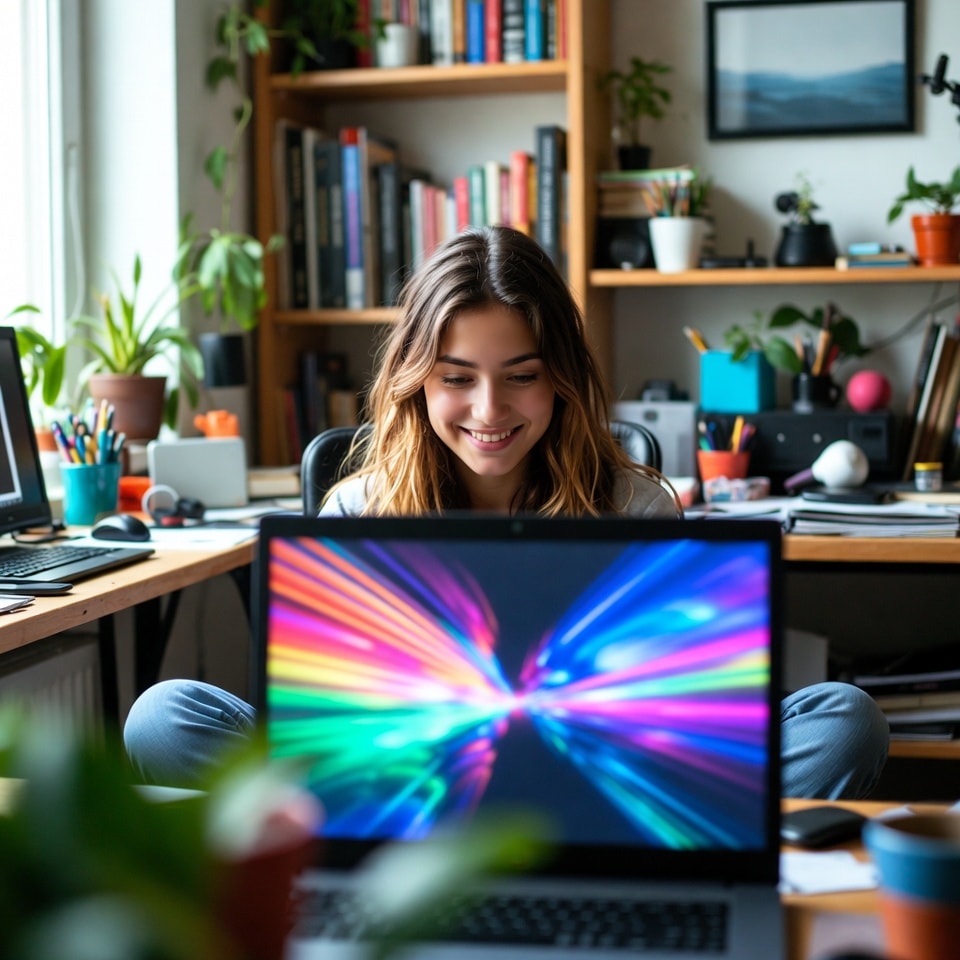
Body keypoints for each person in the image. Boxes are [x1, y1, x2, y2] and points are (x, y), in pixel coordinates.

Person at [124, 225, 889, 798]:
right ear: (417, 380)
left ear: (560, 378)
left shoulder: (636, 503)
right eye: (457, 377)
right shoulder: (358, 506)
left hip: (595, 774)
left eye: (520, 376)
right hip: (403, 782)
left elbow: (671, 709)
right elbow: (328, 717)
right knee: (164, 716)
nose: (489, 410)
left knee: (843, 717)